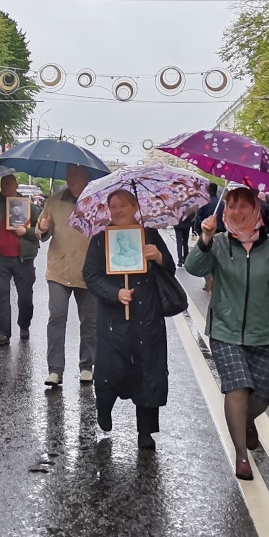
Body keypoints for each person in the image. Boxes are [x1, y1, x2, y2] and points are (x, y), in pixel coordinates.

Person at [185, 186, 269, 480]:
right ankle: (241, 456)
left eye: (243, 205)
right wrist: (204, 240)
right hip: (225, 330)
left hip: (264, 333)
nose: (236, 211)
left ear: (255, 209)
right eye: (230, 206)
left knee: (261, 397)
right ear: (224, 211)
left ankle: (245, 422)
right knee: (236, 389)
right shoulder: (219, 242)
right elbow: (193, 267)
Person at [82, 190, 175, 451]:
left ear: (135, 206)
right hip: (114, 318)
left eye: (124, 205)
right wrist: (115, 293)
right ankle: (104, 406)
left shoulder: (150, 234)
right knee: (111, 368)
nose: (118, 210)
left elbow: (169, 267)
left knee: (149, 370)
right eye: (114, 206)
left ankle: (145, 431)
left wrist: (158, 257)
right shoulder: (101, 240)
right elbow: (90, 274)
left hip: (148, 316)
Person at [37, 164, 96, 386]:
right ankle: (55, 370)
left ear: (86, 177)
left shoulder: (96, 201)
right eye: (69, 174)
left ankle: (86, 366)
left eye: (76, 175)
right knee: (57, 317)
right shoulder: (55, 200)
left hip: (87, 270)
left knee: (90, 321)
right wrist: (42, 227)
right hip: (58, 270)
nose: (71, 179)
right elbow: (41, 231)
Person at [0, 174, 41, 347]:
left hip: (23, 258)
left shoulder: (30, 207)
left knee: (25, 297)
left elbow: (42, 232)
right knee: (1, 296)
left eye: (9, 183)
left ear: (16, 185)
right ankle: (3, 333)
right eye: (3, 183)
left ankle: (24, 324)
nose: (5, 185)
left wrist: (27, 232)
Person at [194, 182, 226, 291]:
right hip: (221, 234)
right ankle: (214, 279)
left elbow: (198, 219)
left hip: (208, 233)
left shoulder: (204, 202)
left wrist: (200, 231)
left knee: (206, 256)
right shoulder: (221, 203)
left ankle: (209, 280)